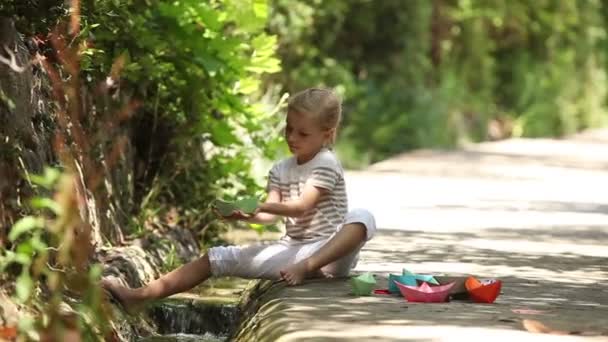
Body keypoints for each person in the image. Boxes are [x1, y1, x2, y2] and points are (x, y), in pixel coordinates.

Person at [101, 88, 376, 312]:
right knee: (216, 257)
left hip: (329, 252)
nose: (291, 137)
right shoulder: (281, 168)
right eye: (288, 129)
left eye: (302, 133)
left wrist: (263, 205)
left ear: (327, 134)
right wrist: (244, 214)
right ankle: (139, 296)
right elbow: (269, 214)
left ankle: (309, 268)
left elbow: (302, 205)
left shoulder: (326, 162)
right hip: (293, 250)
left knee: (363, 216)